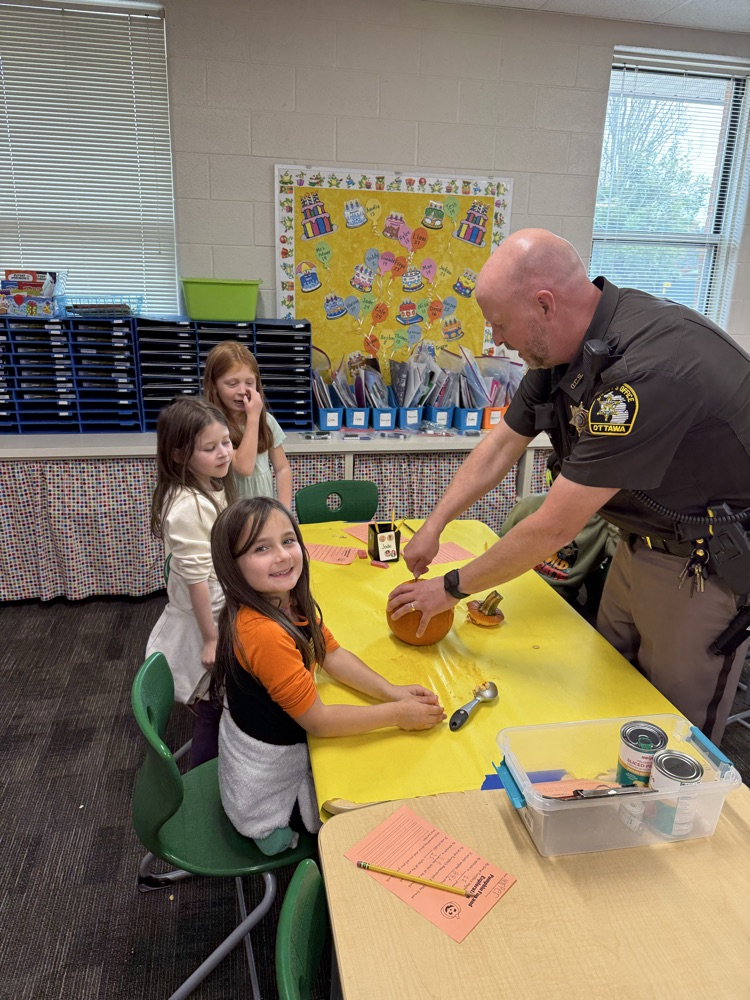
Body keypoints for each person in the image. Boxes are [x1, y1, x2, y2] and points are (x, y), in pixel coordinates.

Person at [387, 228, 750, 745]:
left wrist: (449, 588)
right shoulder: (560, 351)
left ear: (544, 304)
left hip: (702, 567)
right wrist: (434, 525)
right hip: (636, 545)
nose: (496, 342)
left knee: (671, 733)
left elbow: (554, 525)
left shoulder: (646, 370)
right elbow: (499, 447)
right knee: (606, 694)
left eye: (500, 325)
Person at [210, 496, 445, 856]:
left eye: (288, 541)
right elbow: (318, 721)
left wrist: (390, 691)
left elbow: (330, 654)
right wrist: (397, 716)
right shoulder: (264, 632)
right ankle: (267, 823)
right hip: (265, 763)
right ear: (233, 567)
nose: (283, 556)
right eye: (261, 548)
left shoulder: (286, 599)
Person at [146, 395, 237, 766]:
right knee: (215, 705)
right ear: (180, 455)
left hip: (218, 605)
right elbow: (199, 580)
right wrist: (213, 638)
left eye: (226, 442)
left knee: (219, 700)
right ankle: (206, 770)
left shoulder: (209, 486)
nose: (224, 453)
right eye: (210, 448)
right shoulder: (187, 506)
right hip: (206, 619)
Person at [203, 341, 292, 508]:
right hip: (232, 513)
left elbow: (282, 469)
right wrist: (253, 417)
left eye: (249, 383)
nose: (243, 390)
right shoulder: (213, 426)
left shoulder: (267, 421)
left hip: (263, 510)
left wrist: (284, 510)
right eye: (232, 383)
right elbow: (244, 468)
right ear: (214, 385)